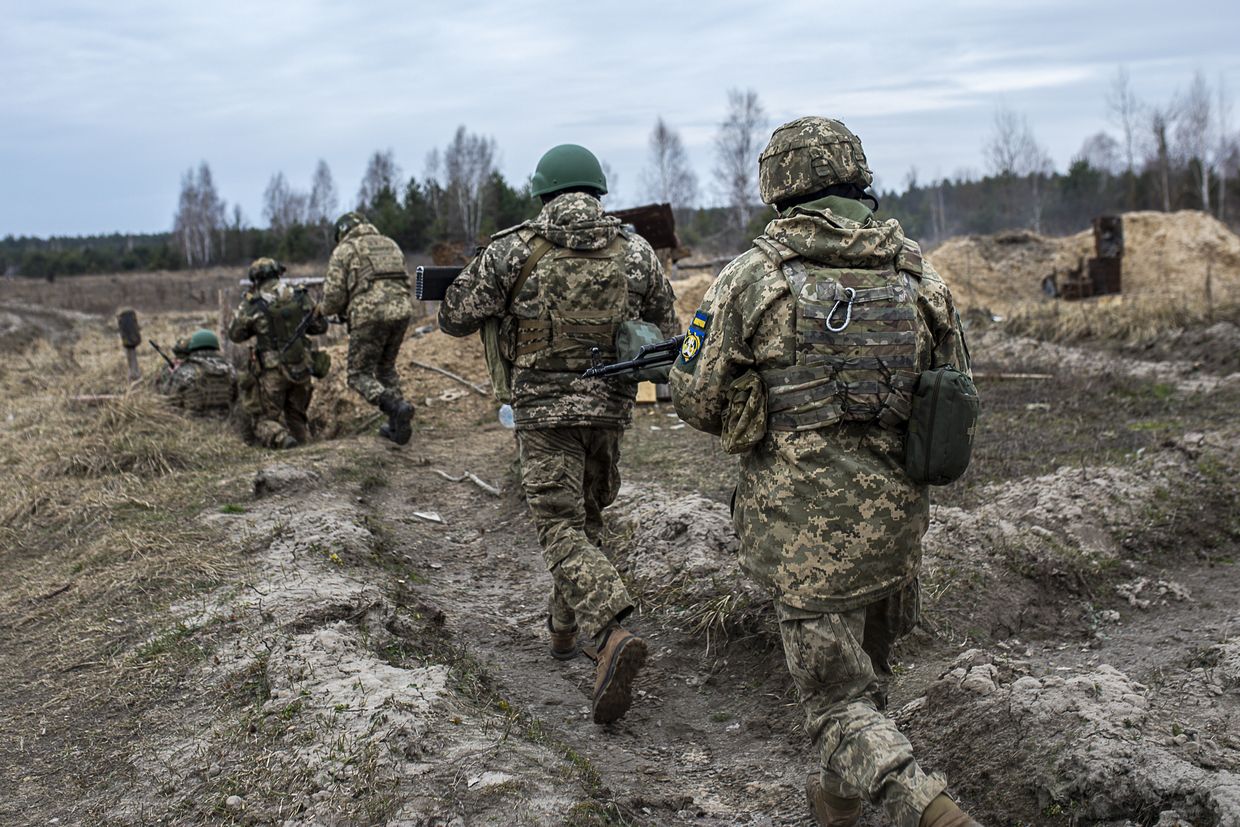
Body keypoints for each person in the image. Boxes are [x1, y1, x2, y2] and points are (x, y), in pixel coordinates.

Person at [669, 117, 980, 827]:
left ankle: (928, 809)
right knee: (867, 678)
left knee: (836, 703)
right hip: (898, 526)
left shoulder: (753, 276)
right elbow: (956, 392)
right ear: (858, 180)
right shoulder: (919, 275)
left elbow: (693, 395)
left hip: (800, 531)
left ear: (780, 188)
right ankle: (839, 803)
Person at [438, 144, 678, 724]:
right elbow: (669, 331)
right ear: (597, 191)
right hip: (610, 409)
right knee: (589, 516)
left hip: (544, 414)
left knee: (558, 525)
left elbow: (453, 317)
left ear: (543, 193)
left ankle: (612, 626)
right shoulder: (638, 252)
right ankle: (565, 630)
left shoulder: (512, 248)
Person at [321, 211, 416, 444]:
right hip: (402, 310)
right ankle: (397, 426)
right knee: (386, 368)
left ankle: (396, 408)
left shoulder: (344, 250)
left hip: (369, 315)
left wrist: (321, 310)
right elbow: (405, 279)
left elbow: (333, 300)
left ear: (342, 232)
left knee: (358, 374)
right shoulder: (390, 244)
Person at [228, 257, 329, 449]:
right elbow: (320, 326)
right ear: (278, 273)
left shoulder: (253, 303)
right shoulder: (300, 295)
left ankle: (282, 440)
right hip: (301, 367)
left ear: (255, 279)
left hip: (272, 371)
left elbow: (235, 335)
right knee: (297, 417)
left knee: (263, 420)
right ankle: (305, 451)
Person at [155, 328, 236, 417]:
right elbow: (235, 396)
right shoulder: (230, 368)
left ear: (192, 347)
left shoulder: (184, 370)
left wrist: (169, 374)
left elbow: (167, 397)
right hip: (225, 420)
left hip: (192, 423)